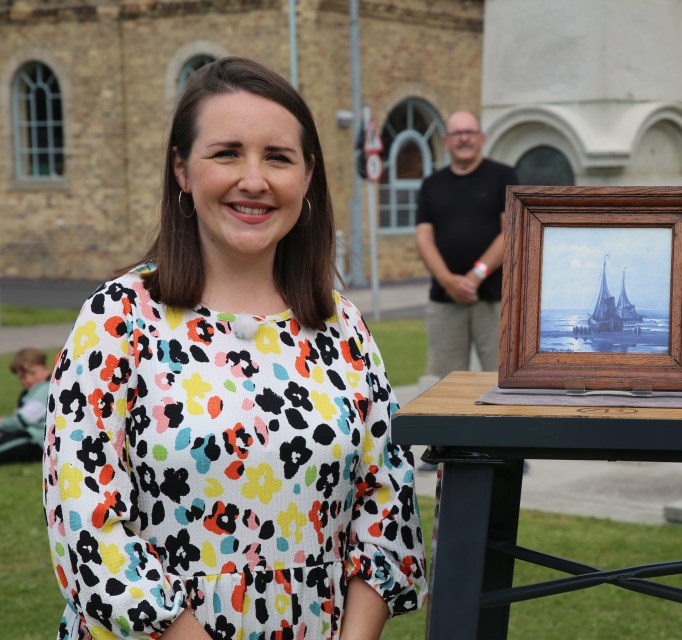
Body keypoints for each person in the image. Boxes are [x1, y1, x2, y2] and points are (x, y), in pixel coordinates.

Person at [42, 57, 427, 640]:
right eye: (226, 153)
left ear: (308, 175)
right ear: (182, 169)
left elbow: (387, 502)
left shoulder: (341, 326)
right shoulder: (118, 319)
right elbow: (84, 514)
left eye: (278, 157)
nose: (255, 179)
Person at [414, 110, 517, 472]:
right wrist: (448, 281)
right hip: (445, 300)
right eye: (456, 133)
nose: (463, 138)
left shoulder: (503, 176)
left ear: (481, 137)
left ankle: (505, 449)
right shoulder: (432, 184)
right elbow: (424, 237)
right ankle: (444, 448)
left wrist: (474, 276)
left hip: (492, 295)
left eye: (469, 132)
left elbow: (511, 232)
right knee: (446, 376)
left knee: (499, 374)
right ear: (446, 141)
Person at [0, 347, 50, 464]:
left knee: (11, 442)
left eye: (33, 373)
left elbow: (23, 420)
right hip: (31, 436)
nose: (29, 379)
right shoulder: (34, 390)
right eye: (22, 377)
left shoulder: (46, 388)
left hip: (38, 440)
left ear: (46, 369)